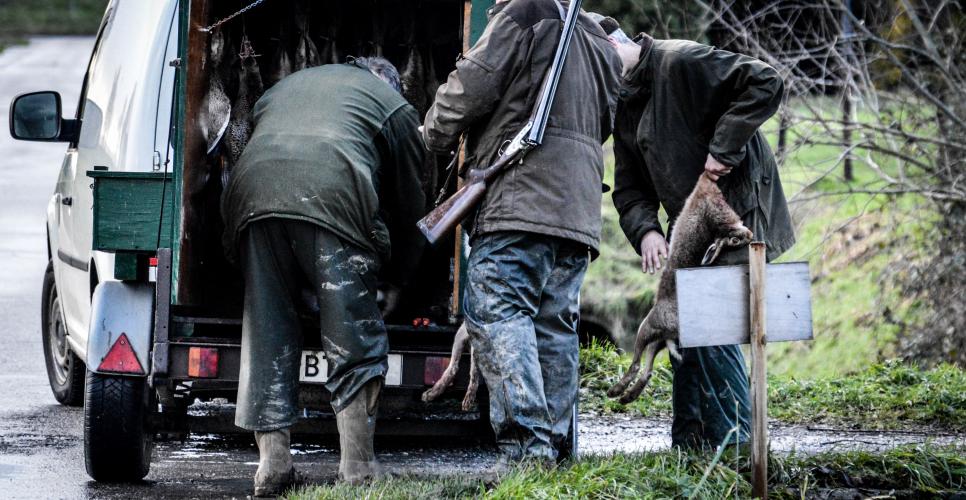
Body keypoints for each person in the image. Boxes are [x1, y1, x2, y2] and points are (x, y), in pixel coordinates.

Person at [422, 0, 621, 464]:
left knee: (497, 312)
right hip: (577, 212)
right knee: (553, 326)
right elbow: (604, 123)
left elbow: (467, 89)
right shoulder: (598, 39)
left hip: (519, 200)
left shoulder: (523, 14)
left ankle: (528, 451)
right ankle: (552, 451)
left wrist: (431, 135)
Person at [220, 57, 426, 494]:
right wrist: (401, 280)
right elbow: (413, 207)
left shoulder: (288, 85)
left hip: (251, 199)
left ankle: (272, 467)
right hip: (333, 198)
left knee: (268, 329)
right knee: (352, 337)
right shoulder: (393, 106)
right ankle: (357, 471)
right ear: (389, 84)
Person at [601, 17, 796, 449]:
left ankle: (737, 448)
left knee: (711, 323)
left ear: (613, 44)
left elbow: (765, 82)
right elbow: (629, 189)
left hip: (738, 209)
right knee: (683, 323)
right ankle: (689, 447)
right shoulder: (623, 104)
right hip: (689, 222)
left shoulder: (680, 60)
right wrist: (648, 231)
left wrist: (723, 149)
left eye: (597, 60)